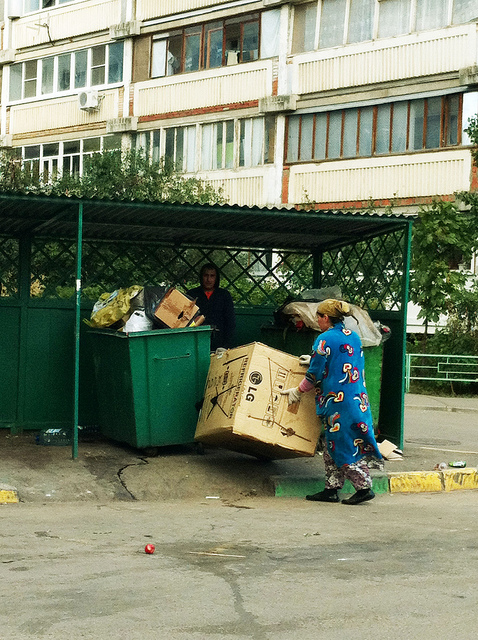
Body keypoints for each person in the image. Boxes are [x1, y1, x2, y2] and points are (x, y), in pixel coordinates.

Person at [280, 299, 383, 505]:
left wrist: (298, 391)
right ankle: (331, 488)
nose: (317, 321)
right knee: (332, 445)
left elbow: (314, 374)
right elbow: (343, 361)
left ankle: (364, 487)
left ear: (326, 317)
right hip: (357, 400)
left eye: (319, 317)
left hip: (339, 403)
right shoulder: (353, 337)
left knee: (342, 445)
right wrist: (314, 359)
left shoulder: (324, 339)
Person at [187, 263, 236, 352]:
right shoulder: (192, 294)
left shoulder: (224, 295)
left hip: (219, 343)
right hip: (196, 342)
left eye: (212, 276)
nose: (208, 279)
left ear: (216, 278)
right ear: (201, 277)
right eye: (206, 275)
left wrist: (226, 345)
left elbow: (230, 322)